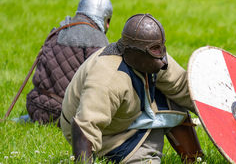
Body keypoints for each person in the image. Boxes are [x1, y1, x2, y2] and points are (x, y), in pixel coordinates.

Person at [60, 14, 203, 163]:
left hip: (125, 113)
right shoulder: (108, 78)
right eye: (154, 50)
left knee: (175, 100)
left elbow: (185, 88)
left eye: (161, 48)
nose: (163, 61)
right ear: (135, 53)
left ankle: (196, 159)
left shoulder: (152, 57)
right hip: (106, 133)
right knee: (147, 158)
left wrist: (218, 113)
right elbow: (85, 127)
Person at [25, 0, 112, 124]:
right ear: (106, 19)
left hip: (35, 108)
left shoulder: (59, 29)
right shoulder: (96, 39)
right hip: (62, 115)